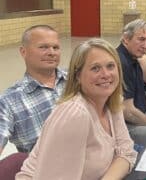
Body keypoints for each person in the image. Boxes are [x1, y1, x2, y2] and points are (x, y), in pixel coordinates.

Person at [16, 38, 136, 179]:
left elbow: (126, 152)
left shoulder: (111, 102)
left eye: (110, 66)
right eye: (95, 68)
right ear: (78, 75)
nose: (105, 74)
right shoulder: (75, 115)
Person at [0, 25, 66, 156]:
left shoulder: (77, 79)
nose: (51, 52)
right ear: (23, 51)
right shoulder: (10, 101)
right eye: (43, 47)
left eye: (55, 47)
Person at [117, 19, 146, 138]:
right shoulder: (121, 62)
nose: (145, 46)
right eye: (141, 39)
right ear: (126, 39)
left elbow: (141, 94)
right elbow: (127, 111)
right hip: (124, 125)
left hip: (138, 114)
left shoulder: (133, 59)